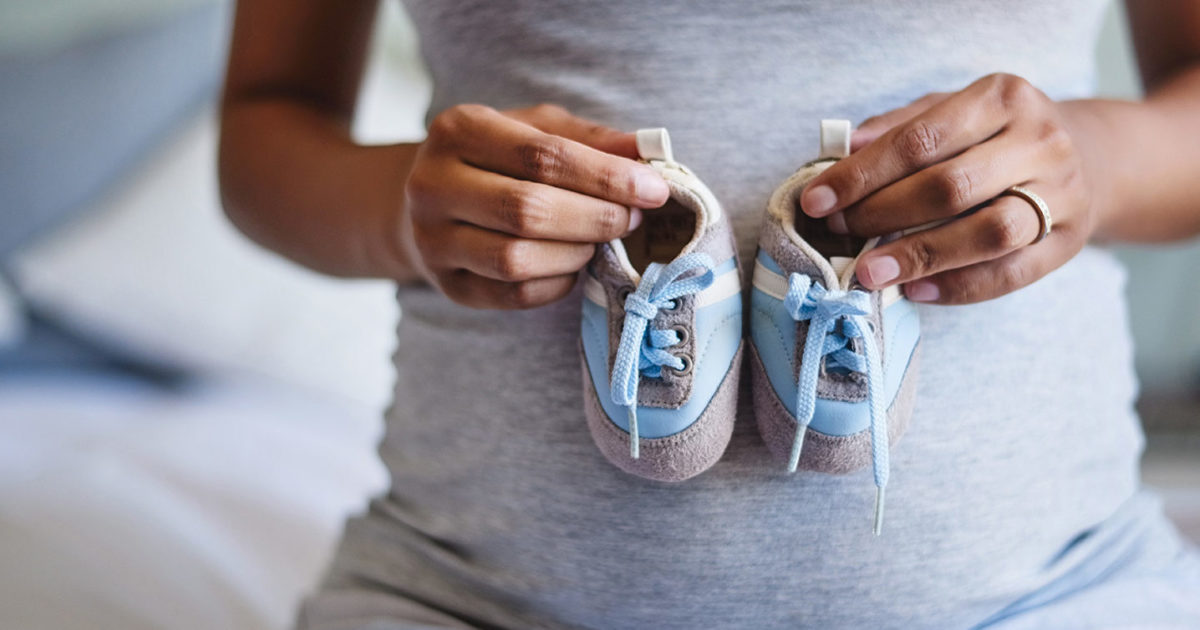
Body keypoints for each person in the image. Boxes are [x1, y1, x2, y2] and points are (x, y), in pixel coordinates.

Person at [218, 1, 1200, 628]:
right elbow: (264, 129)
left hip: (1059, 591)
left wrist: (1091, 160)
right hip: (461, 598)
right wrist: (408, 209)